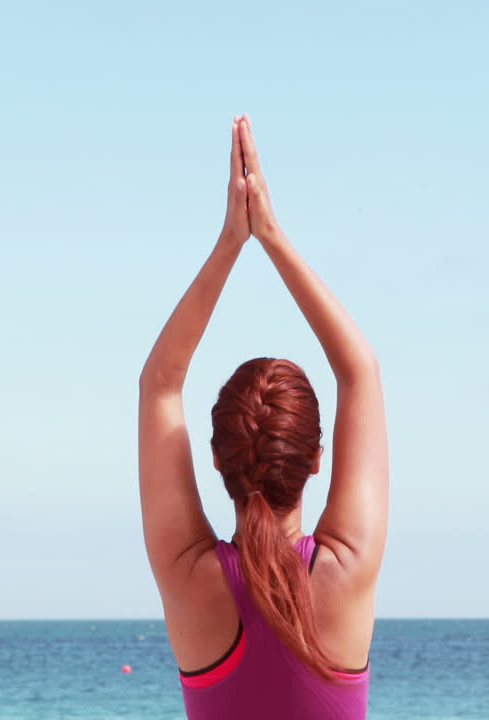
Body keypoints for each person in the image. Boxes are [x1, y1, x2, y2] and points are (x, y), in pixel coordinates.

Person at [137, 115, 389, 720]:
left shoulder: (191, 577)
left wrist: (231, 243)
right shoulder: (345, 570)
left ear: (217, 459)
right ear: (317, 459)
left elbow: (160, 385)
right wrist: (271, 235)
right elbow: (360, 372)